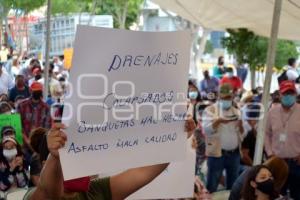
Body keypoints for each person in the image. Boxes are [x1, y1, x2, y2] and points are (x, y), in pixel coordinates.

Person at [24, 118, 196, 200]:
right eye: (68, 161)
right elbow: (48, 193)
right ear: (46, 165)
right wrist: (56, 157)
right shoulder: (35, 195)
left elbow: (143, 173)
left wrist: (174, 142)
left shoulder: (95, 191)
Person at [202, 83, 244, 192]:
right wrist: (218, 121)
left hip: (234, 154)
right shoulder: (210, 110)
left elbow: (242, 135)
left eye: (229, 98)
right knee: (212, 186)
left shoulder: (236, 111)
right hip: (217, 155)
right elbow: (206, 130)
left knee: (234, 187)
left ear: (232, 97)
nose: (227, 100)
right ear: (219, 96)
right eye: (224, 97)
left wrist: (241, 126)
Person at [265, 80, 300, 199]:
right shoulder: (272, 112)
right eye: (285, 93)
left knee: (297, 194)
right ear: (280, 94)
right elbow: (266, 134)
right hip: (277, 161)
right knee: (277, 194)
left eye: (291, 93)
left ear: (295, 94)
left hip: (297, 162)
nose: (288, 96)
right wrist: (270, 153)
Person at [16, 82, 52, 155]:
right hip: (23, 144)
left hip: (40, 145)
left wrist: (38, 145)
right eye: (35, 91)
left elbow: (47, 128)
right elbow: (18, 126)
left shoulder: (46, 108)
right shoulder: (21, 105)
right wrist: (27, 141)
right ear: (30, 90)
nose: (37, 93)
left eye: (39, 91)